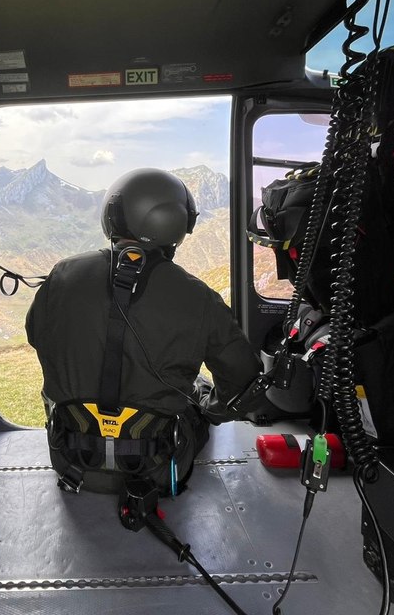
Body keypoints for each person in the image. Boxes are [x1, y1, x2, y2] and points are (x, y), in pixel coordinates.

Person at [26, 168, 276, 495]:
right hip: (157, 469)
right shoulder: (198, 296)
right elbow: (243, 383)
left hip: (71, 461)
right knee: (195, 390)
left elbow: (36, 334)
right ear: (178, 224)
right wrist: (207, 405)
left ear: (113, 216)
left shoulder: (62, 275)